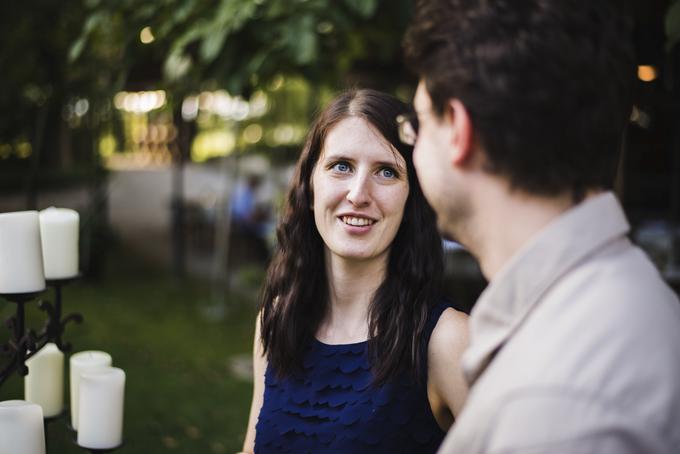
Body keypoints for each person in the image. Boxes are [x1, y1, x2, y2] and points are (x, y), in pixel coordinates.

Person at [402, 1, 680, 453]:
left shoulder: (552, 407)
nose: (414, 148)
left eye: (417, 125)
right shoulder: (631, 297)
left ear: (457, 129)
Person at [240, 89, 469, 453]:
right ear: (311, 185)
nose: (358, 193)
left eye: (387, 172)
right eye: (341, 166)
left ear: (412, 199)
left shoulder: (448, 340)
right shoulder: (277, 319)